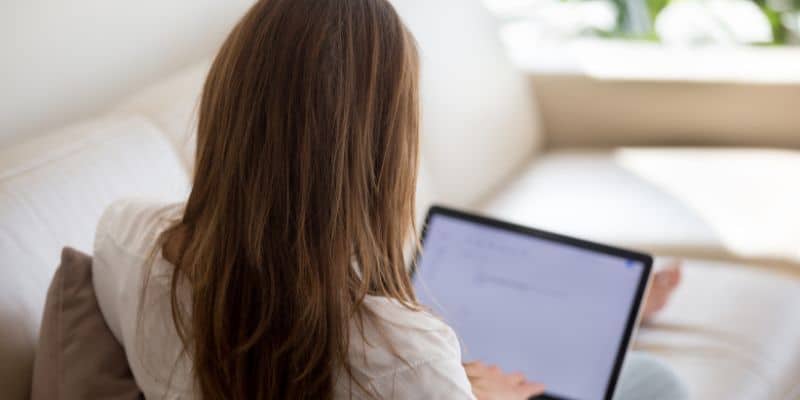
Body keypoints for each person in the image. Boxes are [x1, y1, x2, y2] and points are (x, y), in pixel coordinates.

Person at [91, 0, 687, 399]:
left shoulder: (124, 238)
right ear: (382, 149)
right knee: (652, 380)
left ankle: (605, 318)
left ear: (230, 103)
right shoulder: (407, 356)